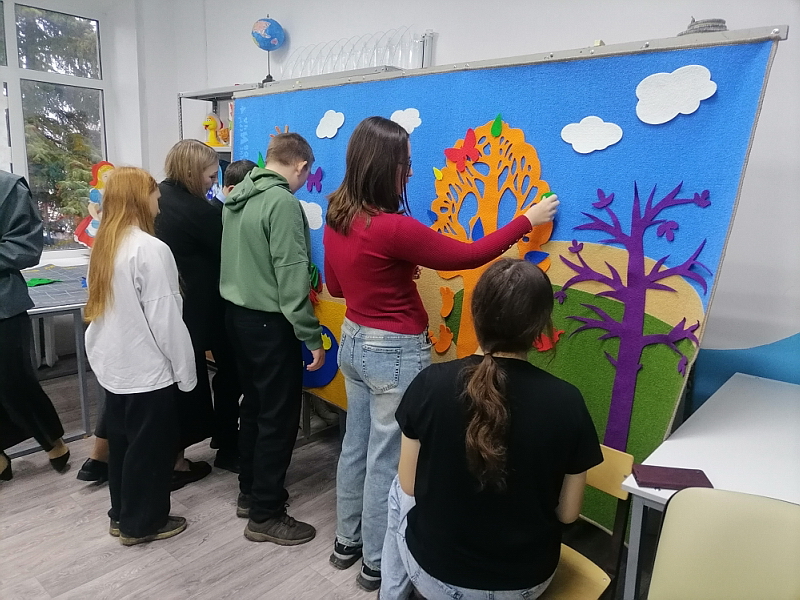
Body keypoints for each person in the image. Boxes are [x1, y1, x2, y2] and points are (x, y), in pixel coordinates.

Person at [323, 116, 560, 592]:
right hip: (392, 352)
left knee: (355, 446)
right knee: (386, 460)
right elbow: (469, 255)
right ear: (383, 166)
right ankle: (375, 563)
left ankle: (346, 543)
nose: (411, 172)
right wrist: (526, 221)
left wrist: (387, 277)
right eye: (405, 164)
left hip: (353, 340)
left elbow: (336, 286)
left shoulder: (337, 215)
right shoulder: (392, 228)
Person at [381, 258, 604, 599]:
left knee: (398, 488)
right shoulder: (568, 401)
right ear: (541, 325)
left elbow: (410, 485)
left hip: (437, 577)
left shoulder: (430, 384)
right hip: (527, 582)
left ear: (475, 314)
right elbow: (568, 513)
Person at [220, 132, 324, 545]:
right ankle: (266, 513)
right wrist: (310, 336)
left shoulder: (237, 196)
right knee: (278, 419)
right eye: (307, 173)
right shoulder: (281, 203)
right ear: (301, 165)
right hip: (269, 324)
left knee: (254, 407)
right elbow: (291, 273)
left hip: (237, 317)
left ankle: (250, 492)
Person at [84, 167, 196, 545]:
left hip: (115, 367)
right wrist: (186, 372)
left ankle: (121, 515)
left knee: (122, 447)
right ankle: (142, 524)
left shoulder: (105, 245)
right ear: (138, 199)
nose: (159, 204)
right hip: (146, 371)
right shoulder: (150, 249)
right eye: (154, 196)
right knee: (150, 452)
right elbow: (167, 320)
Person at [155, 139, 244, 481]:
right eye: (209, 177)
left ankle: (192, 446)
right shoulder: (198, 211)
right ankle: (225, 443)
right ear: (192, 173)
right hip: (205, 308)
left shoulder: (159, 197)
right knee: (230, 374)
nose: (212, 184)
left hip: (177, 308)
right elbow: (230, 250)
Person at [0, 170, 71, 480]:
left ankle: (51, 439)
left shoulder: (7, 188)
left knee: (13, 382)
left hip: (3, 307)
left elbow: (26, 246)